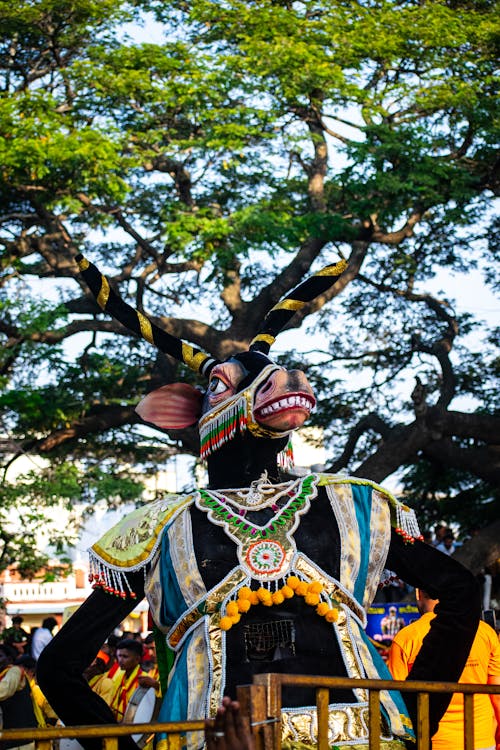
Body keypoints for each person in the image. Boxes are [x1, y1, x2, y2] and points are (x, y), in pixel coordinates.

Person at [38, 255, 482, 750]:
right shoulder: (160, 528)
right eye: (222, 385)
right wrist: (414, 719)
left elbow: (461, 592)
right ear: (185, 411)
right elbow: (59, 667)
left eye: (269, 375)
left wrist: (418, 715)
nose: (275, 381)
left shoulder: (355, 504)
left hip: (344, 737)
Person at [388, 589, 500, 750]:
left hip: (432, 742)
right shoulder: (484, 632)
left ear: (419, 593)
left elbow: (396, 703)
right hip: (481, 740)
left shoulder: (407, 637)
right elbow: (497, 696)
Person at [0, 644, 38, 750]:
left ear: (9, 659)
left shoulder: (15, 671)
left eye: (0, 656)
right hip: (10, 739)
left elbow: (3, 691)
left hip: (21, 741)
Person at [109, 639, 146, 722]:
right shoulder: (118, 676)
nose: (120, 660)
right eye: (119, 656)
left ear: (137, 659)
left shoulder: (145, 680)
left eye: (125, 656)